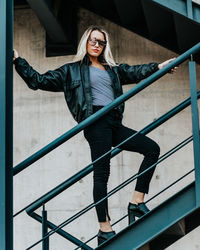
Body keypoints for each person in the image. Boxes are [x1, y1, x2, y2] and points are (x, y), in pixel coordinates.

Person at [13, 26, 177, 246]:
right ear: (85, 42)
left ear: (104, 46)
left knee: (151, 148)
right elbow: (38, 81)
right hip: (95, 123)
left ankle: (136, 201)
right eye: (93, 40)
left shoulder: (112, 70)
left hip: (114, 123)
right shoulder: (71, 71)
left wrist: (159, 67)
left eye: (101, 42)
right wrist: (18, 61)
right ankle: (104, 227)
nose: (96, 45)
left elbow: (136, 72)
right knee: (102, 174)